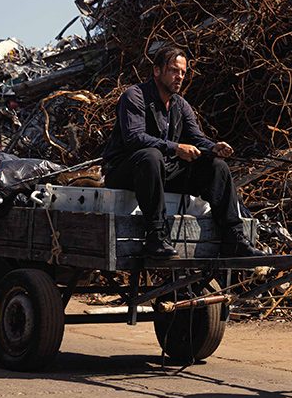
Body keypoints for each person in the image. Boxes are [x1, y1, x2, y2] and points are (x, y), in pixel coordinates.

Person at [102, 44, 265, 258]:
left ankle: (233, 237)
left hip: (162, 172)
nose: (179, 77)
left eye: (183, 72)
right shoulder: (135, 96)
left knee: (217, 167)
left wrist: (213, 147)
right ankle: (156, 237)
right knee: (151, 156)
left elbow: (196, 137)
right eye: (173, 70)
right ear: (157, 70)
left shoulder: (181, 105)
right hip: (126, 172)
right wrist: (176, 148)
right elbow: (134, 138)